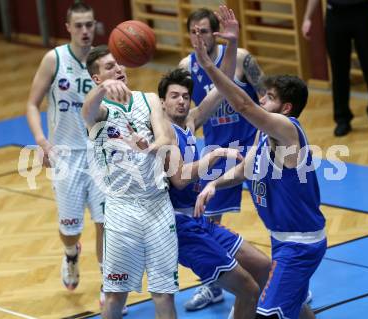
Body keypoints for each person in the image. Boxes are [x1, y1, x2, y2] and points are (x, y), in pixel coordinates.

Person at [192, 27, 327, 319]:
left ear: (286, 107)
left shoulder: (287, 130)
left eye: (269, 97)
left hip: (300, 245)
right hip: (282, 240)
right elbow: (246, 168)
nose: (261, 100)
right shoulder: (263, 137)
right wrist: (214, 184)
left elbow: (242, 104)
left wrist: (208, 67)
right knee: (293, 310)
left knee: (266, 314)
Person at [158, 6, 271, 318]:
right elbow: (180, 179)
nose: (182, 100)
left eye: (185, 96)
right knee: (248, 288)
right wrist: (215, 155)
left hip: (199, 222)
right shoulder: (164, 135)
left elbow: (224, 87)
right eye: (174, 96)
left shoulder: (191, 120)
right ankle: (217, 286)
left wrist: (230, 45)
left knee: (263, 268)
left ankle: (282, 287)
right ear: (162, 103)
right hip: (178, 227)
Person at [26, 2, 114, 310]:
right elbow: (31, 104)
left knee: (106, 222)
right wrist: (40, 140)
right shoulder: (55, 59)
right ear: (68, 28)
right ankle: (71, 253)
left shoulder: (103, 61)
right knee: (70, 229)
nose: (85, 31)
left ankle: (109, 283)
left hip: (99, 153)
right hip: (65, 157)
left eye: (89, 24)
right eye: (79, 25)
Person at [82, 45, 178, 319]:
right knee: (115, 295)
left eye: (118, 64)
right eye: (109, 67)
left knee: (163, 293)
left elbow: (164, 138)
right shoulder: (99, 111)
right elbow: (86, 110)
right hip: (122, 209)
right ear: (97, 78)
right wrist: (103, 90)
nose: (118, 69)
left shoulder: (148, 99)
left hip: (158, 205)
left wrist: (147, 147)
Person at [302, 0, 368, 136]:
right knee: (338, 71)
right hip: (335, 15)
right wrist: (307, 18)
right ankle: (342, 119)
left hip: (362, 14)